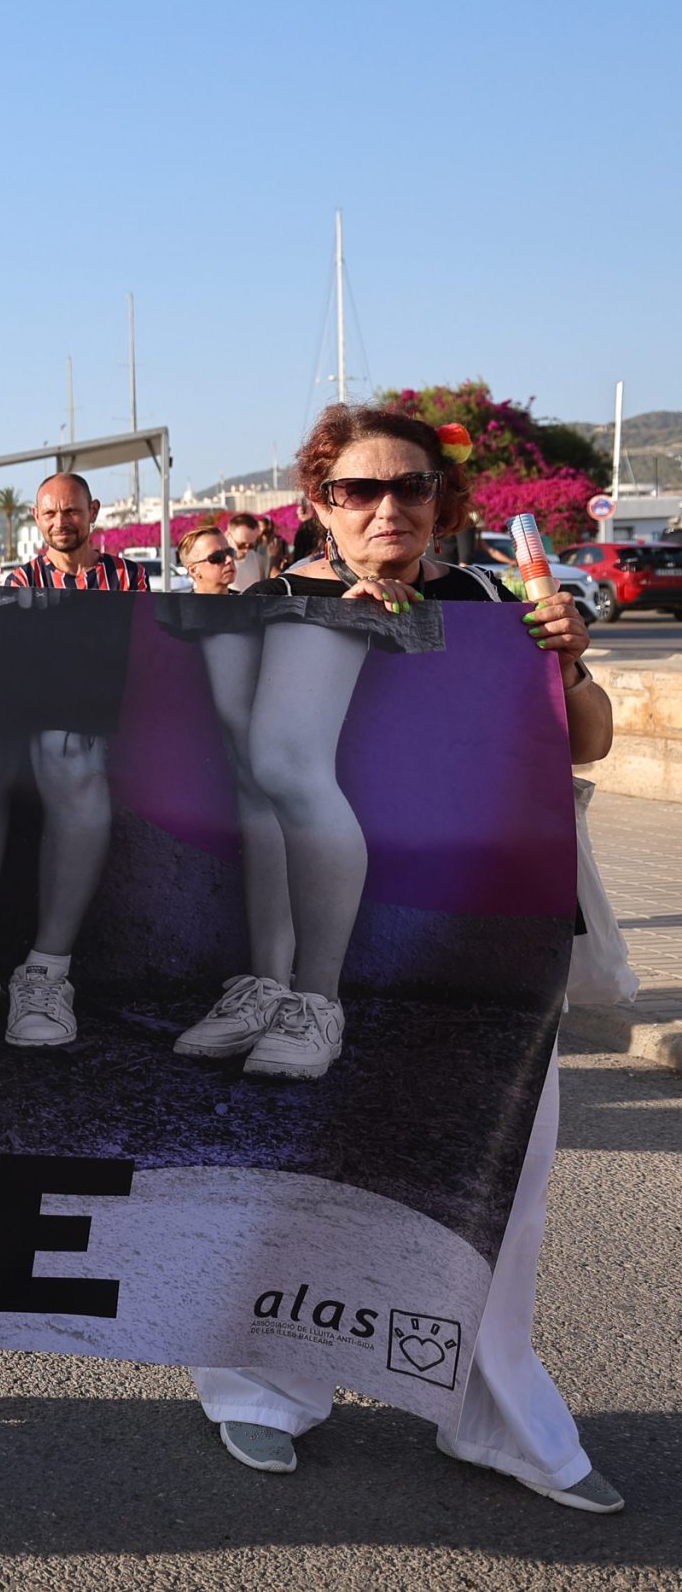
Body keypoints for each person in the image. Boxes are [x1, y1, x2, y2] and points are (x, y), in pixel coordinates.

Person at [189, 402, 618, 1513]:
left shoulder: (489, 600)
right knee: (307, 1167)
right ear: (318, 505)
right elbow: (245, 760)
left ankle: (491, 1407)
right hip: (336, 947)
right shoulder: (276, 601)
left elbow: (585, 741)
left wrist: (567, 662)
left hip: (483, 935)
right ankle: (261, 1386)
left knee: (500, 1181)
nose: (388, 510)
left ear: (443, 501)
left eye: (411, 489)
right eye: (357, 492)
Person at [0, 471, 147, 1050]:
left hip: (92, 718)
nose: (61, 523)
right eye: (49, 514)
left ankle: (46, 973)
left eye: (71, 512)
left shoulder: (131, 576)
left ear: (93, 511)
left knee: (67, 753)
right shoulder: (21, 578)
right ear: (35, 520)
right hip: (30, 705)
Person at [178, 524, 240, 595]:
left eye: (230, 552)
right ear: (194, 570)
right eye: (217, 556)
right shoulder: (182, 605)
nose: (229, 559)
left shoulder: (248, 603)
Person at [222, 512, 268, 593]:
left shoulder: (257, 559)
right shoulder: (216, 562)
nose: (246, 550)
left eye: (251, 545)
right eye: (241, 545)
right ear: (227, 535)